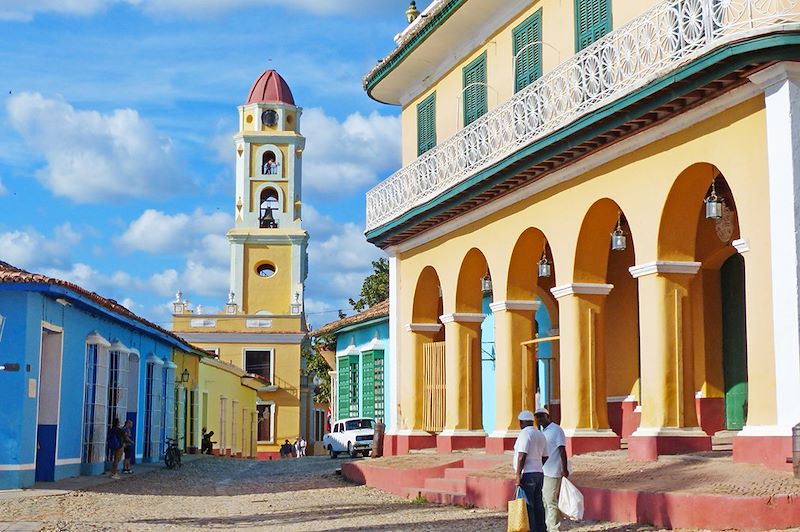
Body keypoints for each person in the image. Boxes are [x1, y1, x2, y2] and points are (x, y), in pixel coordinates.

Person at [513, 410, 547, 532]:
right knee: (538, 503)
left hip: (527, 474)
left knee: (529, 505)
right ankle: (541, 528)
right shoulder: (540, 434)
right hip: (539, 473)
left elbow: (522, 455)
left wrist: (517, 475)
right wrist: (538, 465)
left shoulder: (524, 434)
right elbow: (545, 456)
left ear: (521, 422)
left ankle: (532, 529)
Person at [535, 407, 568, 531]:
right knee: (545, 500)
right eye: (537, 417)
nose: (539, 419)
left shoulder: (556, 430)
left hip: (553, 470)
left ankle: (554, 528)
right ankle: (548, 525)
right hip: (544, 470)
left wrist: (564, 468)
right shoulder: (543, 432)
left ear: (547, 416)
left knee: (550, 500)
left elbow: (562, 449)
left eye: (541, 416)